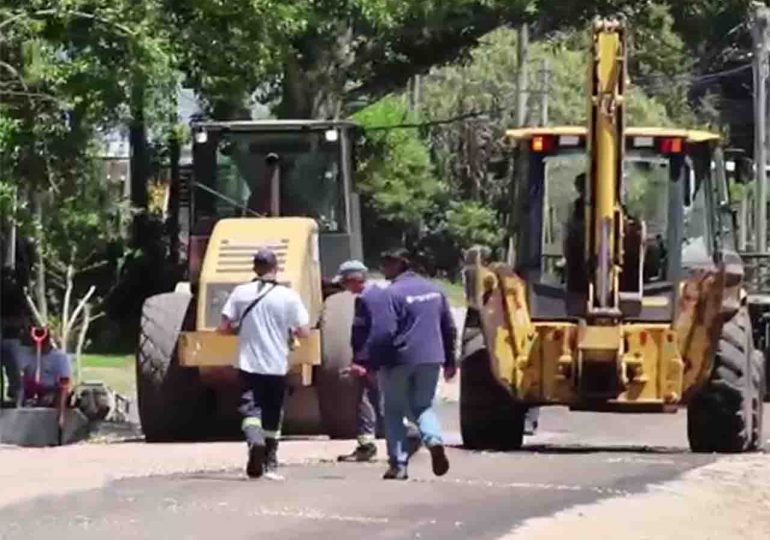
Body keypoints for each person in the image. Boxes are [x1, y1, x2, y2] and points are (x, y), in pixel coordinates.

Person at [219, 248, 310, 480]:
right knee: (273, 411)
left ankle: (254, 440)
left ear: (254, 268)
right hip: (277, 364)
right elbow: (304, 331)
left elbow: (224, 327)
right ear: (275, 268)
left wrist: (240, 330)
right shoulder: (288, 296)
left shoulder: (240, 293)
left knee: (250, 409)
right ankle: (270, 462)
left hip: (248, 363)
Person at [370, 249, 457, 480]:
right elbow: (448, 327)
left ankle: (398, 464)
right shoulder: (435, 290)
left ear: (400, 264)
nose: (383, 268)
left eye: (386, 263)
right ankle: (434, 440)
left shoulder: (391, 294)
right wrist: (450, 360)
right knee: (423, 406)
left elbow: (384, 331)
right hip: (431, 357)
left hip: (399, 359)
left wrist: (374, 361)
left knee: (394, 410)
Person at [335, 260, 387, 462]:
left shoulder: (365, 300)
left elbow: (369, 333)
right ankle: (406, 437)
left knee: (365, 402)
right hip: (380, 359)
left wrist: (361, 362)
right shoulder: (381, 296)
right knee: (380, 400)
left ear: (355, 280)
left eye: (346, 283)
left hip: (370, 362)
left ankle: (366, 446)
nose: (345, 288)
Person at [17, 328, 71, 428]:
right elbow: (23, 380)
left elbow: (64, 386)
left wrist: (61, 415)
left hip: (52, 392)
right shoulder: (27, 355)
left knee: (54, 395)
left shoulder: (60, 357)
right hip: (32, 392)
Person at [1, 269, 26, 405]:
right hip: (9, 336)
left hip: (11, 336)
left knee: (14, 369)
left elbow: (22, 317)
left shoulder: (16, 295)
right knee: (12, 368)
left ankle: (16, 397)